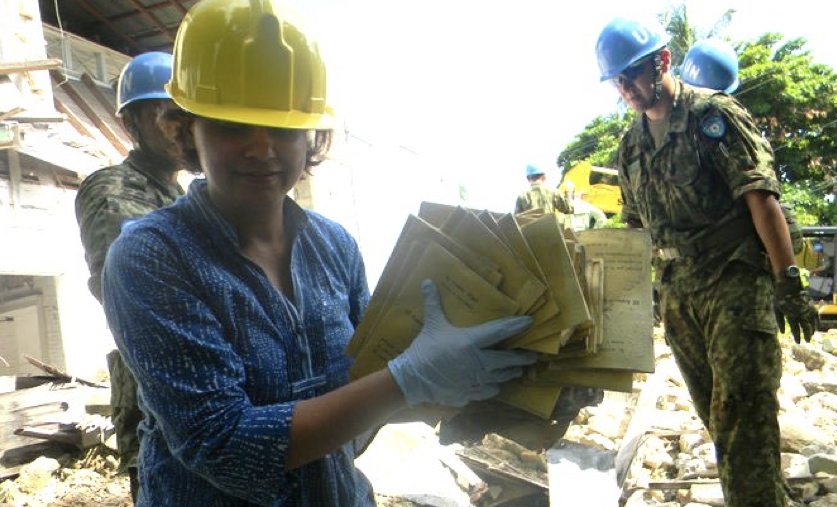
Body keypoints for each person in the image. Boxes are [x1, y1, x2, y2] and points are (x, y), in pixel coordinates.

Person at [99, 1, 536, 505]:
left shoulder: (334, 247)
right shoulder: (152, 257)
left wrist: (474, 381)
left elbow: (362, 398)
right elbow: (221, 444)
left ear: (311, 135)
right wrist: (407, 379)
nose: (262, 149)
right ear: (187, 127)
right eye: (233, 126)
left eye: (284, 128)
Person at [595, 16, 819, 507]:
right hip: (678, 295)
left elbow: (761, 198)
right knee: (718, 420)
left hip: (733, 282)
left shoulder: (711, 116)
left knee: (742, 413)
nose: (625, 88)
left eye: (632, 74)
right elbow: (634, 229)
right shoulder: (630, 145)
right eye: (617, 81)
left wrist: (789, 281)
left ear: (663, 62)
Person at [74, 51, 183, 501]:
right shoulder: (115, 187)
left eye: (191, 115)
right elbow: (142, 292)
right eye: (167, 115)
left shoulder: (182, 194)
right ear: (132, 123)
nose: (184, 127)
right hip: (154, 405)